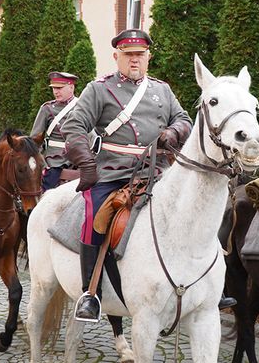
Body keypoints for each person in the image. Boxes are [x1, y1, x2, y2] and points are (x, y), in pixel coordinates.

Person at [61, 28, 193, 321]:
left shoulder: (162, 90)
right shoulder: (99, 89)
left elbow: (185, 119)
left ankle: (203, 284)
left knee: (193, 207)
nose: (135, 61)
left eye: (140, 55)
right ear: (116, 56)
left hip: (158, 171)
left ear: (148, 57)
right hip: (113, 171)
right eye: (129, 55)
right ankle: (90, 293)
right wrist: (86, 164)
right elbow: (73, 127)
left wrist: (172, 132)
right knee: (94, 214)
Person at [30, 71, 79, 191]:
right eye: (54, 88)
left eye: (60, 88)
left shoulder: (82, 106)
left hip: (79, 156)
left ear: (71, 87)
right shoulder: (47, 109)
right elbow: (35, 139)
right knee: (47, 190)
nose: (56, 92)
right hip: (55, 159)